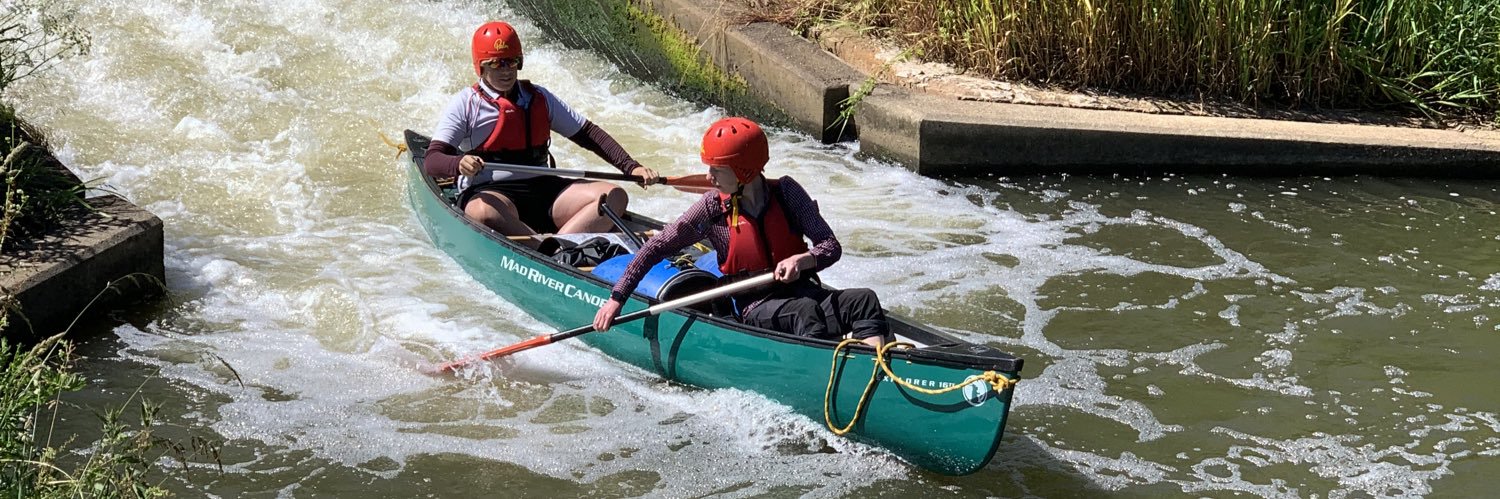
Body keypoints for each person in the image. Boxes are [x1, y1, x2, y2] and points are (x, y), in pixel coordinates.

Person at [592, 117, 890, 347]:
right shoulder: (712, 208)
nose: (708, 178)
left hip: (801, 291)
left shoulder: (787, 193)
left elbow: (829, 246)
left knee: (863, 300)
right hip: (754, 305)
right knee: (804, 313)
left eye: (716, 171)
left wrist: (804, 261)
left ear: (744, 171)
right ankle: (830, 376)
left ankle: (872, 369)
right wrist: (617, 298)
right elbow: (656, 247)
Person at [423, 20, 661, 236]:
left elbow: (589, 134)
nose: (506, 70)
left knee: (614, 197)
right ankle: (541, 247)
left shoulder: (539, 98)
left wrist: (632, 167)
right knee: (482, 212)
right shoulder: (466, 104)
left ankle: (559, 247)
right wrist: (459, 164)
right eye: (496, 63)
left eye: (513, 61)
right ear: (481, 67)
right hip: (494, 194)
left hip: (543, 188)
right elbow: (432, 161)